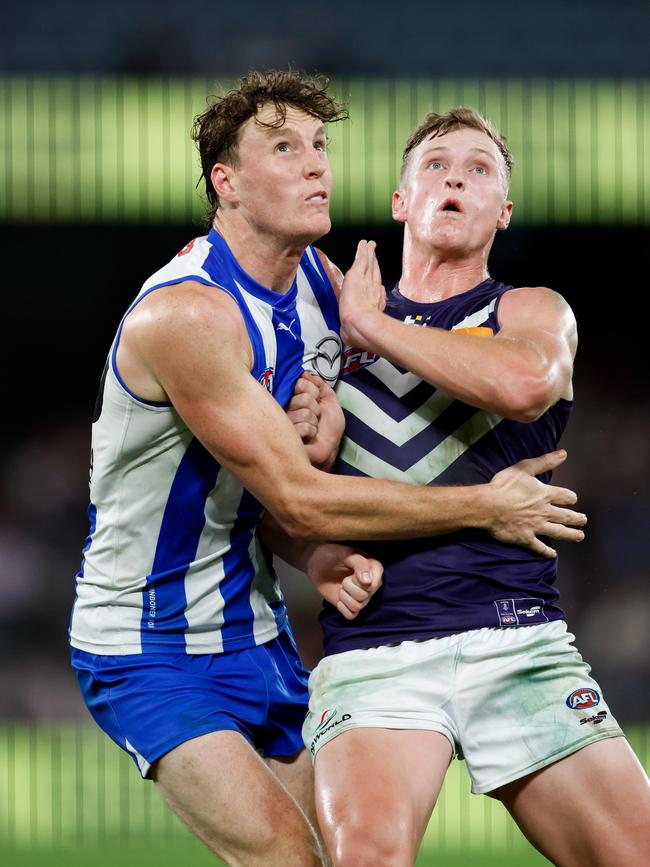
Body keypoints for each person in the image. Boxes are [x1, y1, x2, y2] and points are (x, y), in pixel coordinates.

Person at [69, 74, 586, 867]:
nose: (317, 166)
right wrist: (487, 505)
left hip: (257, 627)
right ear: (227, 183)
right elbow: (303, 493)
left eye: (320, 146)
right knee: (289, 857)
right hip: (149, 642)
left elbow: (391, 399)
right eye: (285, 148)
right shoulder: (188, 316)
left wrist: (313, 536)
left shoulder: (321, 283)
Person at [301, 108, 650, 867]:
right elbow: (273, 495)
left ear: (504, 212)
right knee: (365, 858)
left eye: (480, 167)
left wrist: (372, 321)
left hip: (516, 637)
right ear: (400, 200)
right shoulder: (321, 339)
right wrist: (313, 553)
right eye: (435, 163)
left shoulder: (528, 310)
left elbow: (526, 383)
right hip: (375, 648)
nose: (456, 174)